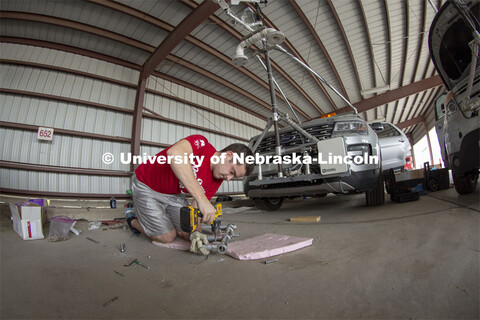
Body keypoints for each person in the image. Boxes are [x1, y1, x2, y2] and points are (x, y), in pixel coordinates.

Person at [127, 134, 254, 255]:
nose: (228, 178)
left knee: (187, 232)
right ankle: (132, 219)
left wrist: (196, 233)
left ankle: (156, 218)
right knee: (167, 237)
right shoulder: (202, 144)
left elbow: (195, 208)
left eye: (233, 177)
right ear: (228, 155)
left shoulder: (217, 179)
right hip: (147, 185)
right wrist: (202, 199)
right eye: (232, 171)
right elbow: (174, 154)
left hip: (173, 194)